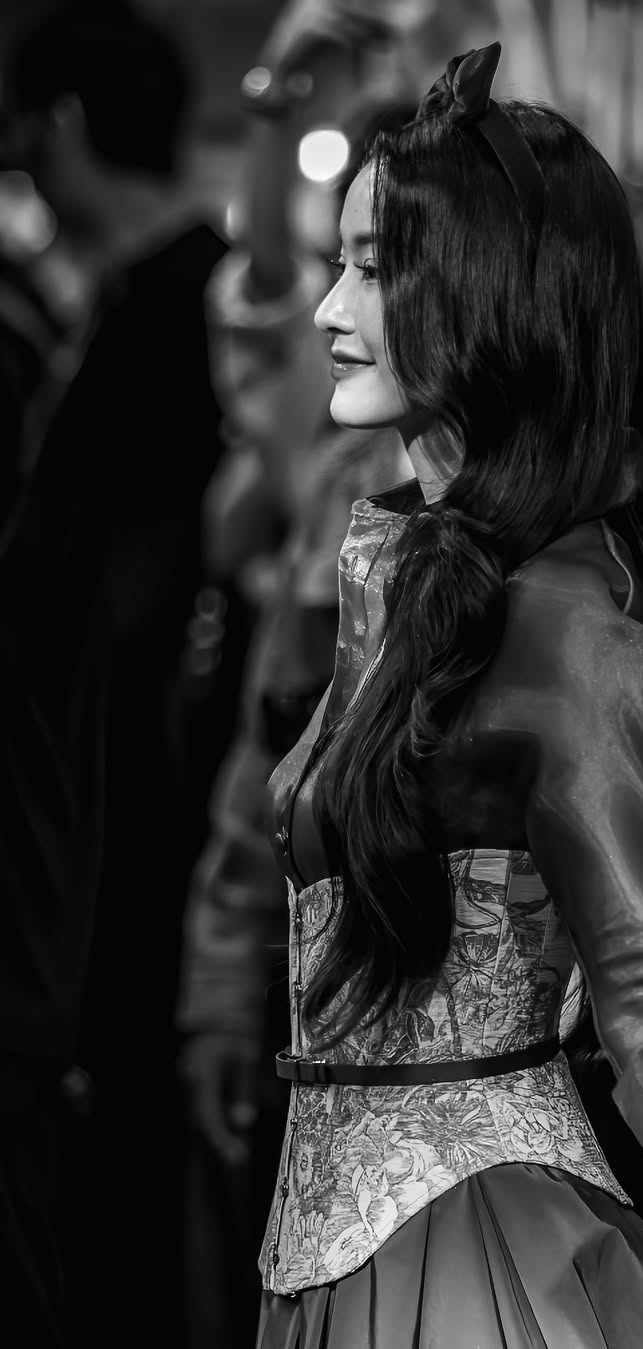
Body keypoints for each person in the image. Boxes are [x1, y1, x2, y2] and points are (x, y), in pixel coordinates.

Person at [243, 41, 643, 1348]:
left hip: (483, 1250)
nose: (329, 307)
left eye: (373, 268)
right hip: (340, 1250)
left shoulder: (564, 628)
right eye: (340, 262)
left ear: (484, 295)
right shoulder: (397, 575)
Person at [0, 4, 230, 1342]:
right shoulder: (147, 301)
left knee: (122, 1192)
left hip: (129, 826)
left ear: (66, 123)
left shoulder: (180, 308)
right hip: (109, 817)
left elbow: (136, 606)